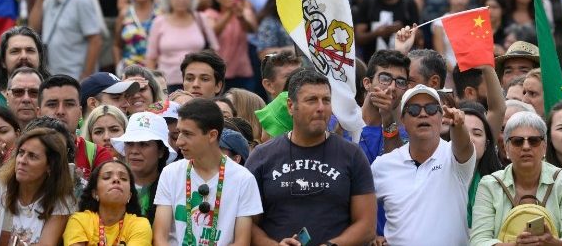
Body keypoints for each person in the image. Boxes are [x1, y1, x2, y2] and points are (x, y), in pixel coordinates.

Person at [246, 69, 376, 246]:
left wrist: (331, 245)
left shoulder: (352, 155)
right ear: (291, 106)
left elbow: (367, 226)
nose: (321, 107)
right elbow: (246, 223)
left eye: (326, 100)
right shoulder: (262, 157)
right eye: (312, 100)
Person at [372, 84, 475, 245]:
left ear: (441, 118)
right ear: (402, 120)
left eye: (431, 109)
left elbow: (463, 145)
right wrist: (371, 237)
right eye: (413, 110)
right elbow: (356, 206)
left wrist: (459, 125)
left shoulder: (454, 157)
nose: (423, 114)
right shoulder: (383, 165)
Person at [153, 98, 263, 245]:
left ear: (212, 135)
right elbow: (160, 237)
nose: (179, 141)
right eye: (179, 132)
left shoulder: (243, 179)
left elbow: (241, 242)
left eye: (188, 134)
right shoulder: (170, 173)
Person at [470, 110, 562, 246]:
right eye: (517, 141)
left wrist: (552, 243)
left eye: (534, 141)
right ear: (506, 147)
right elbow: (478, 241)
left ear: (544, 146)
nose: (526, 147)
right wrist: (516, 245)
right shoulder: (490, 184)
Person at [0, 128, 76, 246]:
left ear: (50, 166)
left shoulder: (60, 200)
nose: (22, 161)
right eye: (21, 152)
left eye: (32, 156)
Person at [28, 0, 102, 78]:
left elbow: (95, 40)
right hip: (52, 75)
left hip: (75, 77)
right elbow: (32, 27)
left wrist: (86, 76)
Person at [145, 0, 219, 91]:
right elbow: (151, 58)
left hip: (197, 83)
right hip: (167, 82)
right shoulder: (159, 22)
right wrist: (153, 85)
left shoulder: (201, 19)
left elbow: (215, 50)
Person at [37, 75, 115, 180]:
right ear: (38, 113)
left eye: (69, 104)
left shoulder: (98, 156)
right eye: (52, 104)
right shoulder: (22, 153)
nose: (60, 111)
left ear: (80, 113)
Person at [64, 159, 153, 245]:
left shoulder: (140, 224)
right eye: (107, 177)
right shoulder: (79, 221)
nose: (116, 180)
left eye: (123, 178)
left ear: (129, 195)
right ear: (95, 193)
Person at [112, 110, 175, 219]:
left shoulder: (173, 189)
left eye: (143, 144)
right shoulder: (111, 185)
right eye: (129, 143)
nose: (134, 151)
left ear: (161, 151)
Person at [356, 0, 420, 59]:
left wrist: (403, 30)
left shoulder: (408, 5)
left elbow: (419, 38)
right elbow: (358, 38)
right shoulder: (368, 2)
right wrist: (376, 33)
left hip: (400, 63)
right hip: (370, 64)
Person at [203, 0, 256, 89]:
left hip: (242, 69)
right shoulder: (210, 14)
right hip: (219, 70)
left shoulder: (244, 11)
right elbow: (213, 33)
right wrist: (230, 12)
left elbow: (252, 29)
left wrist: (241, 16)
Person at [460, 101, 504, 226]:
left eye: (477, 133)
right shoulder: (434, 176)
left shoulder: (499, 184)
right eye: (462, 132)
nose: (469, 138)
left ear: (487, 145)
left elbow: (498, 109)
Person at [0, 26, 50, 109]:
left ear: (40, 59)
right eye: (15, 51)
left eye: (30, 50)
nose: (24, 56)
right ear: (3, 61)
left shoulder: (56, 105)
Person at [115, 0, 156, 74]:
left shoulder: (161, 14)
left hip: (156, 70)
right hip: (129, 71)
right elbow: (116, 45)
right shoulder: (124, 13)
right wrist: (118, 67)